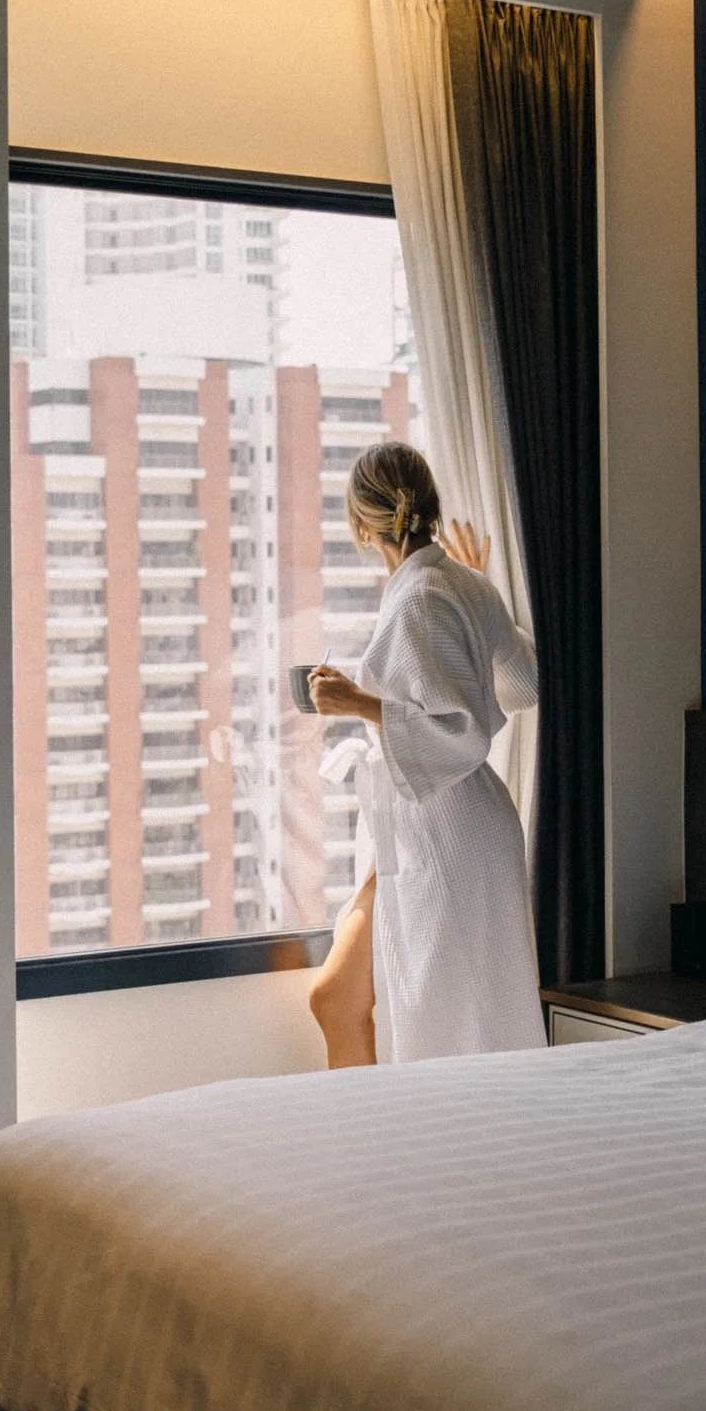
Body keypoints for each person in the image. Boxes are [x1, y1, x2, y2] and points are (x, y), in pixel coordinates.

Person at [305, 441, 546, 1067]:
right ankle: (378, 1141)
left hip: (446, 826)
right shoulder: (458, 584)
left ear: (361, 525)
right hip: (432, 820)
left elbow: (460, 731)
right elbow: (522, 684)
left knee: (450, 1017)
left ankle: (425, 1148)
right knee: (343, 997)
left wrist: (360, 703)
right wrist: (482, 611)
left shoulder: (421, 597)